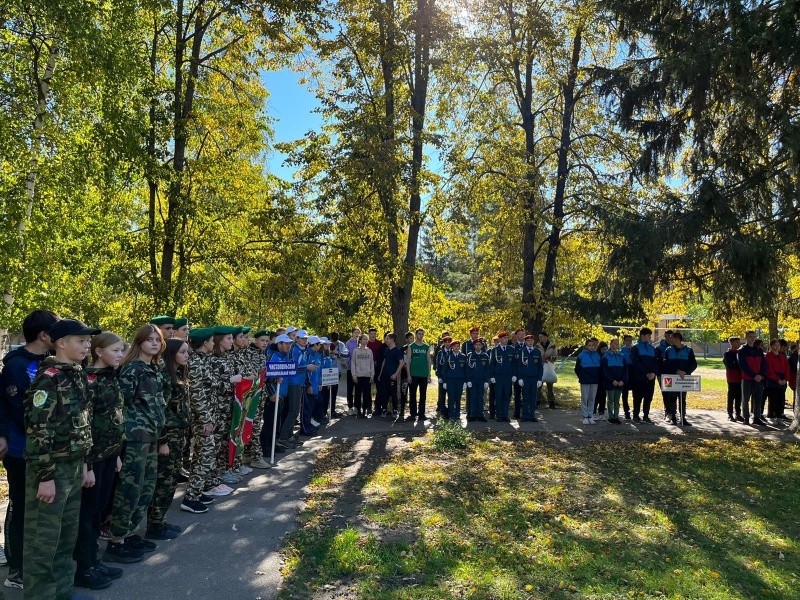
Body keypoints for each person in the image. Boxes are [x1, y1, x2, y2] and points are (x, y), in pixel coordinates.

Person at [24, 318, 99, 600]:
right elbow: (37, 431)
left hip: (71, 466)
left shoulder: (76, 374)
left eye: (88, 341)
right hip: (51, 470)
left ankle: (63, 591)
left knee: (66, 536)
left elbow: (81, 425)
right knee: (42, 543)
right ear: (61, 343)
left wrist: (85, 465)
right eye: (81, 341)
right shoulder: (48, 378)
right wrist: (45, 477)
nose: (87, 345)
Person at [0, 309, 59, 590]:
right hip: (22, 448)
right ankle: (16, 569)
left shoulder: (51, 362)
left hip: (46, 448)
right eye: (57, 330)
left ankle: (38, 563)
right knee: (21, 506)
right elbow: (17, 411)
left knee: (41, 509)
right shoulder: (16, 366)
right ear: (44, 335)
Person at [104, 324, 165, 563]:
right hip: (134, 439)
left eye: (157, 340)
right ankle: (116, 540)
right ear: (139, 342)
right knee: (129, 490)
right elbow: (121, 405)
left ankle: (129, 533)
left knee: (145, 488)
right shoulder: (132, 370)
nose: (154, 343)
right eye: (149, 339)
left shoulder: (153, 369)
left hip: (151, 437)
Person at [73, 332, 126, 590]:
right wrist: (87, 466)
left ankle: (93, 561)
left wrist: (116, 455)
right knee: (88, 514)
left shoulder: (111, 377)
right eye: (115, 350)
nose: (120, 355)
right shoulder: (89, 381)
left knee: (99, 511)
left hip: (108, 456)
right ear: (98, 352)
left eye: (121, 350)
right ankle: (84, 568)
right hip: (93, 460)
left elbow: (115, 420)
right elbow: (86, 426)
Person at [146, 338, 191, 540]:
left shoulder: (179, 374)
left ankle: (160, 521)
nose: (187, 356)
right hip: (167, 436)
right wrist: (162, 440)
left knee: (172, 480)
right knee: (163, 481)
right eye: (182, 352)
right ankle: (154, 524)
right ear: (172, 354)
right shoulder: (164, 376)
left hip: (178, 434)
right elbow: (160, 411)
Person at [182, 327, 227, 511]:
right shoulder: (195, 362)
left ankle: (198, 491)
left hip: (210, 414)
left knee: (204, 455)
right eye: (211, 340)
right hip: (202, 418)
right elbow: (197, 394)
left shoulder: (204, 360)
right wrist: (206, 420)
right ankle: (190, 498)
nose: (214, 343)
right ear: (204, 343)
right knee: (205, 455)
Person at [278, 329, 313, 449]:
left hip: (298, 383)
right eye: (302, 338)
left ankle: (288, 435)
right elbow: (292, 367)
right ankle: (283, 437)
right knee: (294, 411)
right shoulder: (295, 350)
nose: (304, 340)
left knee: (294, 411)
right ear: (297, 339)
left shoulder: (301, 350)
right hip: (293, 383)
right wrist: (307, 367)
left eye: (306, 338)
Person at [661, 332, 698, 426]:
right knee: (671, 398)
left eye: (671, 338)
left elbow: (693, 364)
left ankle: (683, 418)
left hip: (683, 379)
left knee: (682, 398)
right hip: (671, 378)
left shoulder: (688, 350)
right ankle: (673, 417)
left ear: (677, 339)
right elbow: (666, 363)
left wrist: (684, 372)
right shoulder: (668, 350)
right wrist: (677, 371)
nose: (670, 339)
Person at [630, 327, 659, 423]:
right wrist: (646, 373)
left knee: (648, 396)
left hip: (651, 377)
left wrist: (653, 373)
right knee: (638, 396)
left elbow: (656, 362)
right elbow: (636, 362)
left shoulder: (652, 348)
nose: (650, 337)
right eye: (648, 335)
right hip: (639, 377)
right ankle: (636, 415)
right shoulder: (635, 347)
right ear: (642, 335)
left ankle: (646, 415)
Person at [739, 330, 766, 426]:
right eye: (750, 336)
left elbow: (763, 364)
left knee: (758, 399)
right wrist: (754, 375)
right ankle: (746, 418)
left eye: (754, 336)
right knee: (745, 399)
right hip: (747, 378)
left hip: (759, 379)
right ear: (746, 337)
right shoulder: (742, 351)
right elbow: (743, 366)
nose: (752, 338)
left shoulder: (759, 350)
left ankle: (757, 418)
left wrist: (760, 374)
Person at [515, 334, 543, 422]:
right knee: (525, 397)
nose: (530, 342)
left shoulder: (537, 352)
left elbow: (540, 367)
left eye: (531, 341)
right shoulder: (521, 351)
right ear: (525, 342)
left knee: (533, 397)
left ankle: (532, 415)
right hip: (525, 378)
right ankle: (525, 415)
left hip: (534, 378)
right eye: (528, 341)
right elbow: (518, 366)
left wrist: (539, 379)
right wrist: (520, 378)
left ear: (533, 342)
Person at [489, 332, 516, 422]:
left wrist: (514, 374)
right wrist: (492, 376)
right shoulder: (495, 350)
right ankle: (499, 415)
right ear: (499, 340)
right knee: (498, 395)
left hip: (508, 376)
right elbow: (492, 364)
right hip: (498, 376)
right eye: (504, 338)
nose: (506, 339)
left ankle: (505, 414)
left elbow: (513, 364)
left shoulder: (511, 349)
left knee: (506, 395)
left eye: (507, 338)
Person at [406, 328, 431, 422]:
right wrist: (408, 375)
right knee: (412, 394)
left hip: (423, 374)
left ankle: (422, 414)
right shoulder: (411, 346)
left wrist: (429, 374)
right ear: (416, 335)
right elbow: (408, 361)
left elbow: (429, 361)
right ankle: (413, 414)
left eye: (422, 334)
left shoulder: (426, 347)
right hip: (413, 374)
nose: (421, 335)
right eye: (419, 334)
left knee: (423, 395)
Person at [575, 338, 601, 425]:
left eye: (593, 345)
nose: (591, 347)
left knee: (592, 398)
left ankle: (590, 415)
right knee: (584, 398)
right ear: (586, 346)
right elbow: (577, 369)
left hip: (594, 379)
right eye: (589, 345)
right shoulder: (581, 355)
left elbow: (599, 368)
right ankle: (585, 416)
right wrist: (582, 376)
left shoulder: (597, 355)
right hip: (585, 379)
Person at [377, 333, 404, 418]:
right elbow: (384, 362)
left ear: (392, 340)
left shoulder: (397, 351)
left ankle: (395, 410)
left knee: (393, 393)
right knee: (384, 393)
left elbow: (401, 363)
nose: (386, 340)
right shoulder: (386, 350)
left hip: (392, 375)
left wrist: (395, 374)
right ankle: (384, 409)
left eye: (387, 338)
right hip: (384, 375)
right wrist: (380, 374)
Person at [602, 338, 627, 424]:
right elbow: (605, 371)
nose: (616, 345)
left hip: (620, 382)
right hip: (611, 383)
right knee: (610, 400)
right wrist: (612, 380)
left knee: (617, 401)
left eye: (617, 343)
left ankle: (616, 416)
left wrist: (623, 380)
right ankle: (611, 416)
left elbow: (625, 370)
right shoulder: (605, 356)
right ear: (610, 344)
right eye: (614, 343)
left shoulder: (621, 356)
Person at [765, 338, 789, 426]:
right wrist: (777, 379)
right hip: (773, 381)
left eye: (778, 345)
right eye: (775, 345)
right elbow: (769, 370)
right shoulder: (768, 356)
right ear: (771, 346)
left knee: (781, 400)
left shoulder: (783, 356)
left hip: (782, 380)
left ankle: (779, 417)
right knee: (772, 400)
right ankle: (771, 416)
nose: (777, 347)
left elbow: (787, 368)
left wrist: (785, 379)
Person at [465, 338, 490, 422]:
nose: (478, 346)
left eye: (479, 345)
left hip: (481, 380)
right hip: (472, 380)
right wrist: (468, 380)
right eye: (476, 345)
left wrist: (486, 381)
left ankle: (480, 414)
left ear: (482, 346)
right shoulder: (470, 355)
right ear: (474, 346)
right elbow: (467, 369)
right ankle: (473, 414)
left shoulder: (485, 356)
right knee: (473, 397)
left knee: (480, 397)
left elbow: (487, 369)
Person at [350, 334, 374, 418]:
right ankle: (358, 410)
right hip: (358, 375)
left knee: (366, 394)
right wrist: (354, 375)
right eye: (364, 339)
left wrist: (372, 375)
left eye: (367, 339)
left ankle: (365, 410)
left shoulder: (369, 351)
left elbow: (372, 363)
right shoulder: (356, 351)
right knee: (358, 394)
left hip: (367, 375)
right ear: (360, 340)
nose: (366, 341)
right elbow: (353, 363)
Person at [443, 340, 467, 422]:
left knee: (458, 398)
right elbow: (444, 370)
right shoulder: (448, 357)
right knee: (451, 398)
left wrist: (465, 382)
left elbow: (465, 370)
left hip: (460, 380)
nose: (456, 348)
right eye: (455, 346)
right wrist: (445, 382)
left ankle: (457, 414)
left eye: (458, 346)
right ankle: (451, 415)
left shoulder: (463, 357)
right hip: (450, 380)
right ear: (452, 348)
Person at [723, 336, 743, 422]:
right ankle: (730, 414)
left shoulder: (741, 352)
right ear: (731, 343)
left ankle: (738, 413)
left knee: (739, 397)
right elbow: (730, 365)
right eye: (736, 342)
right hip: (732, 378)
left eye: (739, 342)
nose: (738, 344)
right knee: (731, 396)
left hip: (740, 378)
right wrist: (739, 365)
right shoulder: (728, 353)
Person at [537, 331, 558, 409]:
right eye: (539, 337)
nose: (540, 338)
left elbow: (555, 356)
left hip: (549, 367)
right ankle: (537, 402)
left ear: (546, 337)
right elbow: (535, 355)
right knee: (539, 386)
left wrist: (549, 358)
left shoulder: (552, 345)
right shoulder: (537, 345)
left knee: (550, 386)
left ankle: (551, 403)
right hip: (540, 367)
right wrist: (541, 359)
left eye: (541, 337)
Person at [434, 333, 451, 417]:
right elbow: (438, 365)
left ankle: (451, 410)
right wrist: (439, 376)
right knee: (442, 394)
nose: (447, 343)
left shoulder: (452, 352)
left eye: (449, 342)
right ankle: (443, 410)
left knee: (451, 394)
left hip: (450, 377)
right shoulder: (441, 352)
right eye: (446, 342)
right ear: (443, 343)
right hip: (442, 377)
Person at [345, 328, 361, 416]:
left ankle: (357, 407)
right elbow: (347, 356)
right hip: (351, 369)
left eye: (358, 333)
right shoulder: (348, 343)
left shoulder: (361, 342)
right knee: (350, 389)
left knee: (358, 389)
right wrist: (349, 364)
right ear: (352, 333)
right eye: (355, 332)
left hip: (360, 370)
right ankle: (350, 407)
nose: (357, 334)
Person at [511, 328, 525, 419]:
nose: (521, 336)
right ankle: (517, 412)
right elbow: (512, 363)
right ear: (516, 336)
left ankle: (526, 413)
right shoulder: (513, 348)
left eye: (522, 334)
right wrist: (514, 375)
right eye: (519, 334)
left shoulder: (528, 346)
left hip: (526, 374)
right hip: (516, 375)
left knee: (526, 395)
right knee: (517, 394)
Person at [620, 334, 634, 419]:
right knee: (624, 393)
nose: (629, 342)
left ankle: (635, 410)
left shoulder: (634, 349)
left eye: (630, 340)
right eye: (627, 340)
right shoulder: (621, 351)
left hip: (633, 371)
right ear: (624, 341)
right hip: (625, 370)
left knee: (635, 393)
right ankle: (626, 411)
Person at [593, 341, 608, 419]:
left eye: (606, 349)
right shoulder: (597, 356)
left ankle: (601, 412)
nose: (604, 351)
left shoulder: (607, 356)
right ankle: (594, 412)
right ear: (599, 349)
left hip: (604, 379)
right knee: (596, 396)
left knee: (603, 396)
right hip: (598, 378)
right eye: (603, 349)